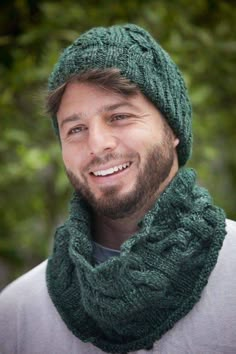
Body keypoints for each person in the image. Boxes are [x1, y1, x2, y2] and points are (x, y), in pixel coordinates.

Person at [0, 24, 235, 354]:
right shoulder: (15, 315)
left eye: (120, 116)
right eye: (76, 128)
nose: (97, 145)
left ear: (173, 129)